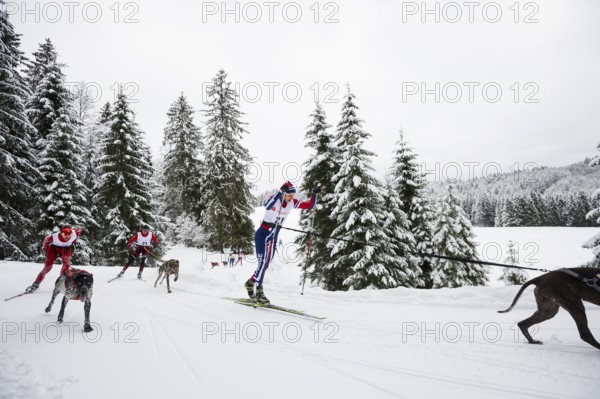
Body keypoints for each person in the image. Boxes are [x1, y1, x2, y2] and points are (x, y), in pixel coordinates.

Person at [245, 181, 321, 304]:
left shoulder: (292, 203)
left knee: (266, 264)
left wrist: (314, 194)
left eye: (293, 195)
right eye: (289, 195)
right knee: (262, 263)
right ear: (284, 193)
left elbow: (309, 206)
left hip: (273, 236)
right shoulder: (275, 199)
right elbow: (267, 206)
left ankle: (250, 283)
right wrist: (279, 192)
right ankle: (259, 291)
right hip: (262, 234)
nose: (292, 197)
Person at [25, 226, 81, 293]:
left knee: (66, 266)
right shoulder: (54, 237)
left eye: (69, 234)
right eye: (64, 234)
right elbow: (46, 239)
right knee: (47, 268)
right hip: (54, 248)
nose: (67, 236)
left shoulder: (75, 234)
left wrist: (78, 229)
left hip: (66, 249)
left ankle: (60, 284)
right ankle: (35, 284)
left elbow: (79, 230)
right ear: (61, 233)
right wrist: (45, 247)